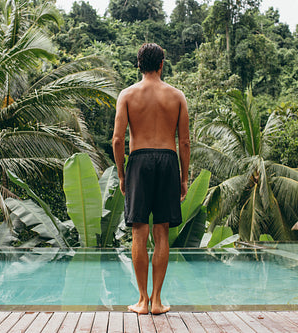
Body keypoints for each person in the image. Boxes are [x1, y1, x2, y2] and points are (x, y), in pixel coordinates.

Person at [112, 43, 190, 315]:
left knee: (139, 232)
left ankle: (142, 301)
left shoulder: (127, 95)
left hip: (139, 161)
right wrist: (184, 178)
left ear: (138, 64)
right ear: (162, 64)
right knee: (162, 232)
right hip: (168, 161)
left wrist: (123, 174)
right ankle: (157, 301)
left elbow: (118, 139)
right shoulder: (177, 96)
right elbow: (186, 142)